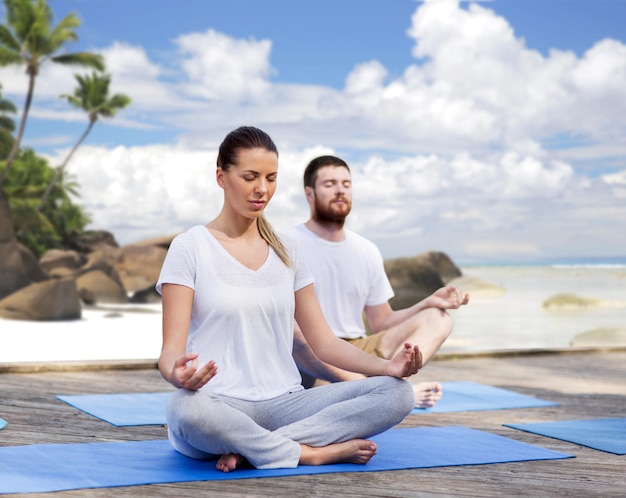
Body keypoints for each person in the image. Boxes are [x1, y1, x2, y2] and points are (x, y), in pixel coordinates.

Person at [156, 126, 420, 473]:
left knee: (398, 393)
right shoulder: (190, 247)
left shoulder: (288, 250)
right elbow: (169, 353)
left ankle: (255, 450)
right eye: (249, 177)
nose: (262, 189)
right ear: (221, 176)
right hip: (218, 404)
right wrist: (178, 375)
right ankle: (310, 452)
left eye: (271, 178)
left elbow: (324, 342)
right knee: (184, 410)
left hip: (286, 404)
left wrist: (387, 368)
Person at [287, 155, 469, 408]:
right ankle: (380, 396)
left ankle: (384, 390)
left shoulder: (366, 250)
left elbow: (381, 321)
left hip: (355, 349)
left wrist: (427, 302)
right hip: (305, 356)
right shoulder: (287, 243)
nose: (340, 190)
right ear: (310, 193)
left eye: (346, 184)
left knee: (438, 318)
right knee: (294, 331)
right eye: (329, 184)